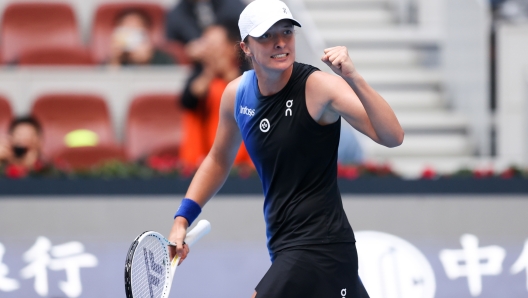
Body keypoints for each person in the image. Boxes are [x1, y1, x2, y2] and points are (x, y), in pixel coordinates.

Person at [168, 0, 404, 297]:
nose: (280, 43)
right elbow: (217, 160)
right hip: (284, 245)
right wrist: (182, 219)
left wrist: (353, 78)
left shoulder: (319, 88)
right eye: (266, 36)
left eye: (287, 32)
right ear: (245, 47)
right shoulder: (237, 95)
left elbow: (392, 136)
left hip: (320, 245)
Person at [179, 20, 252, 168]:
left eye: (215, 45)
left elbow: (252, 97)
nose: (210, 50)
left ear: (232, 47)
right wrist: (209, 73)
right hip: (203, 148)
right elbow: (187, 101)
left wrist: (227, 72)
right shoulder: (199, 72)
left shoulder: (247, 71)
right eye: (206, 44)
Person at [109, 9, 174, 66]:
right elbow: (105, 78)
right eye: (126, 30)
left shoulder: (164, 59)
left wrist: (145, 64)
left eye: (136, 30)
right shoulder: (112, 59)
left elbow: (171, 78)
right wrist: (115, 60)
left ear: (147, 33)